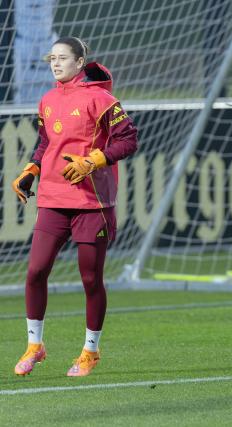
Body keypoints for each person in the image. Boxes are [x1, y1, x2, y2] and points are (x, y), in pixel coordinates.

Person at [12, 37, 138, 377]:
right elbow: (45, 143)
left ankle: (90, 351)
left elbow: (129, 140)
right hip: (53, 198)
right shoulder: (48, 99)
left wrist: (95, 159)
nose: (55, 63)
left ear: (80, 62)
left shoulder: (102, 99)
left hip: (90, 201)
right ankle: (34, 345)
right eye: (52, 58)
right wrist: (32, 170)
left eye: (62, 58)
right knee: (36, 271)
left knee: (90, 277)